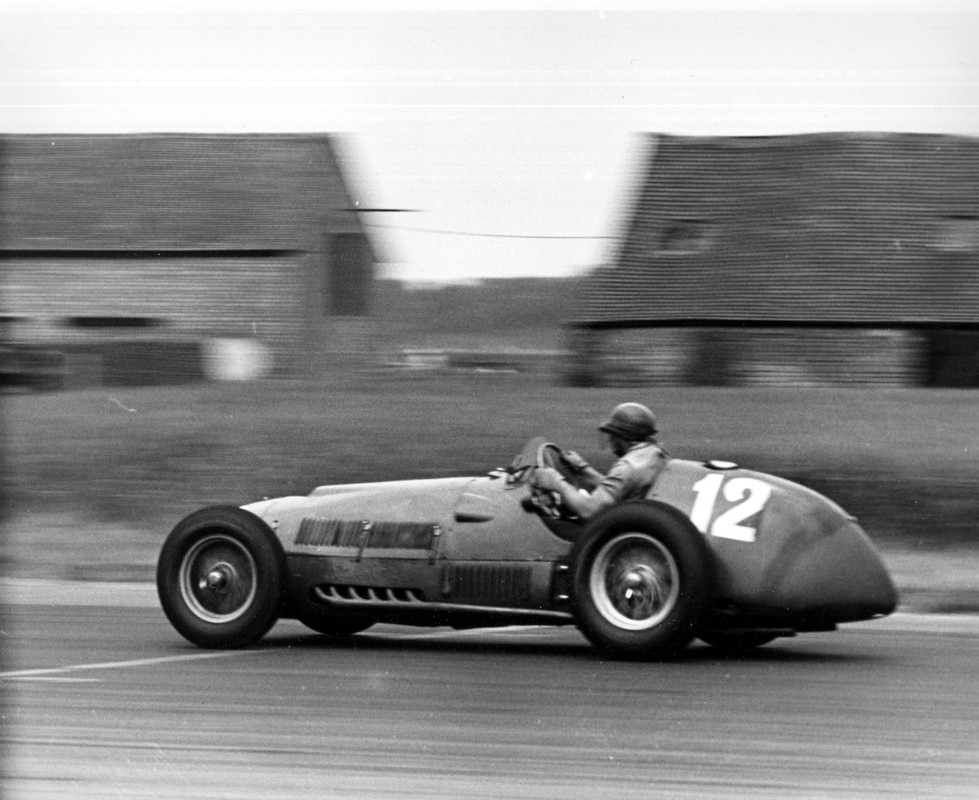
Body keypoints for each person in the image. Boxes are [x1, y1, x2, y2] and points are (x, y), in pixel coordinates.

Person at [531, 402, 668, 520]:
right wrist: (582, 468)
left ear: (624, 436)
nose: (611, 440)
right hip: (644, 518)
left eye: (613, 435)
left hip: (628, 532)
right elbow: (619, 488)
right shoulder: (655, 453)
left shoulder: (627, 466)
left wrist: (557, 483)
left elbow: (589, 510)